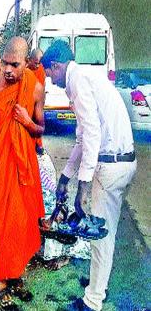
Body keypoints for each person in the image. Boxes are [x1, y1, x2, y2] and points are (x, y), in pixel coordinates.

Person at [41, 40, 137, 311]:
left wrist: (81, 188)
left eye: (50, 73)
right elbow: (83, 139)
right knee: (105, 234)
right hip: (120, 162)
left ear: (57, 66)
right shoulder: (84, 77)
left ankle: (92, 302)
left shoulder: (77, 81)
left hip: (111, 167)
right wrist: (65, 178)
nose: (51, 80)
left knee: (100, 239)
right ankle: (97, 284)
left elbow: (92, 135)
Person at [0, 37, 45, 308]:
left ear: (26, 63)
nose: (7, 69)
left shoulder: (35, 88)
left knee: (20, 221)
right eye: (4, 62)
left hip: (22, 165)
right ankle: (2, 279)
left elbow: (41, 128)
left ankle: (15, 276)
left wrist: (27, 121)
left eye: (14, 64)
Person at [27, 48, 46, 152]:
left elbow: (42, 87)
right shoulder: (25, 69)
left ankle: (38, 144)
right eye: (36, 63)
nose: (37, 66)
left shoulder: (41, 69)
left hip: (38, 100)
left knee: (38, 122)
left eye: (39, 63)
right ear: (30, 60)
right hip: (27, 100)